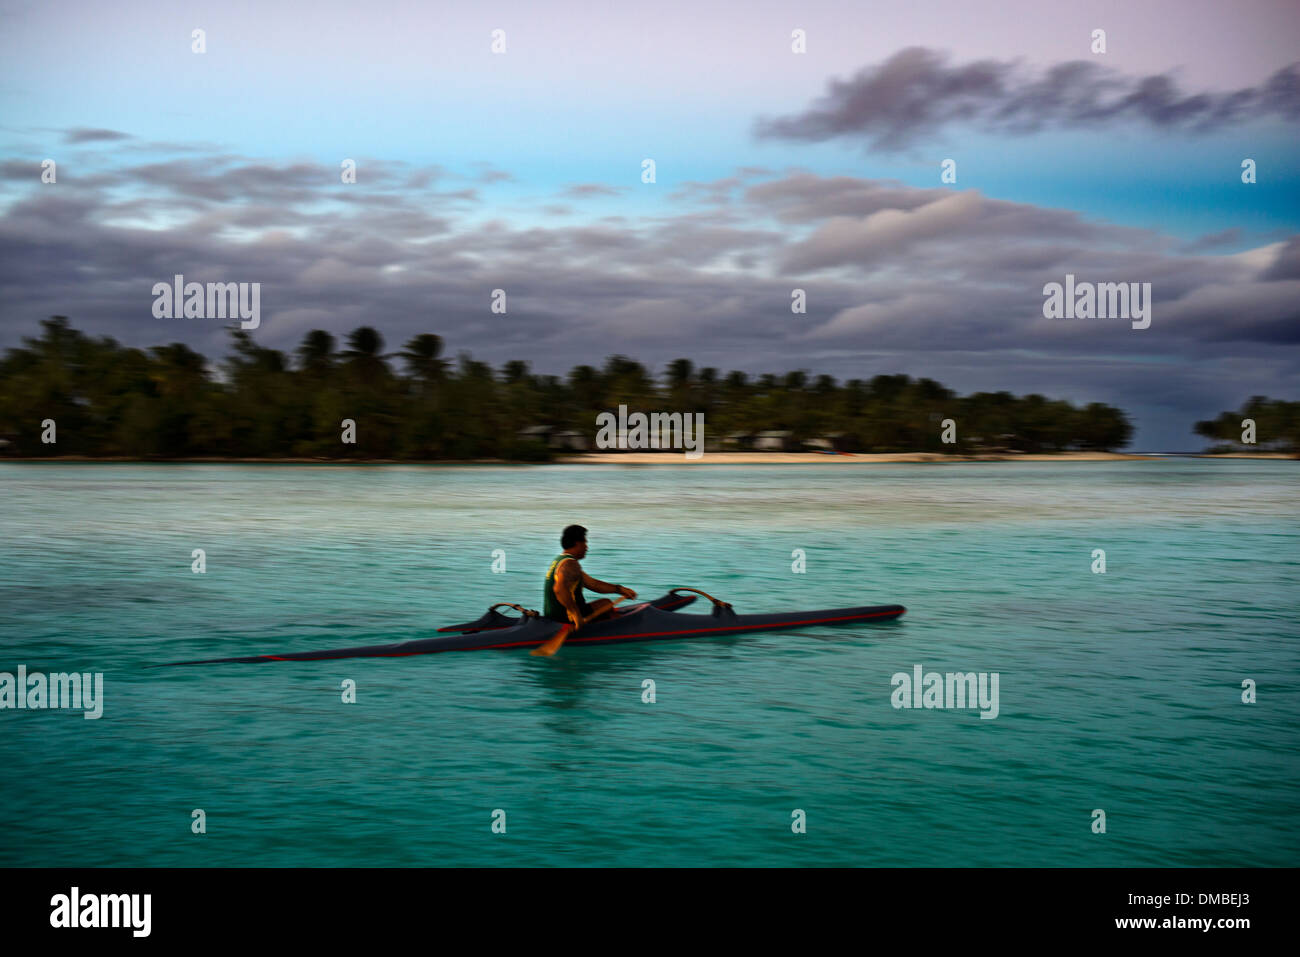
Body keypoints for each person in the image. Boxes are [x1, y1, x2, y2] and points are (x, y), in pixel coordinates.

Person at [542, 525, 637, 630]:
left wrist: (620, 589)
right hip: (565, 618)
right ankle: (624, 630)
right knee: (606, 604)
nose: (587, 547)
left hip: (551, 617)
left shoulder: (561, 561)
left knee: (605, 604)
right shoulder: (571, 564)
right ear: (578, 543)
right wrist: (576, 614)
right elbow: (559, 589)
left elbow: (594, 585)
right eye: (585, 543)